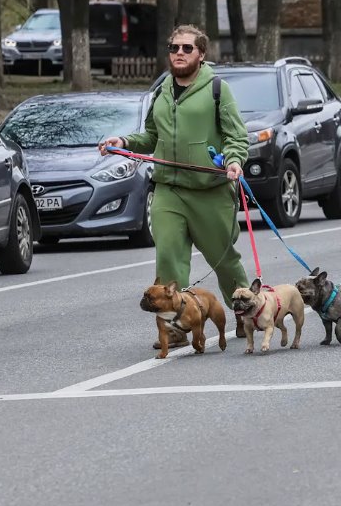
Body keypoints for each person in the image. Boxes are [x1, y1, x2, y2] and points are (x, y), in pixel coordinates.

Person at [99, 25, 250, 350]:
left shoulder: (218, 89)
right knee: (168, 258)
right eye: (173, 48)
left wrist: (234, 161)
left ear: (201, 54)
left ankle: (245, 310)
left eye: (186, 48)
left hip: (209, 189)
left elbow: (236, 135)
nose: (179, 53)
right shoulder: (162, 91)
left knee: (224, 260)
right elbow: (151, 137)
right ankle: (177, 326)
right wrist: (123, 141)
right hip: (168, 189)